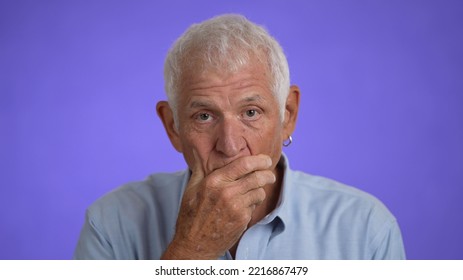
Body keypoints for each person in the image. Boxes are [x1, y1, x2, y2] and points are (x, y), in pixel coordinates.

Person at [74, 14, 405, 260]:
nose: (230, 145)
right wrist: (192, 250)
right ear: (173, 127)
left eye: (251, 112)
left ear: (287, 115)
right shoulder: (111, 224)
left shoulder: (365, 229)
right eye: (204, 116)